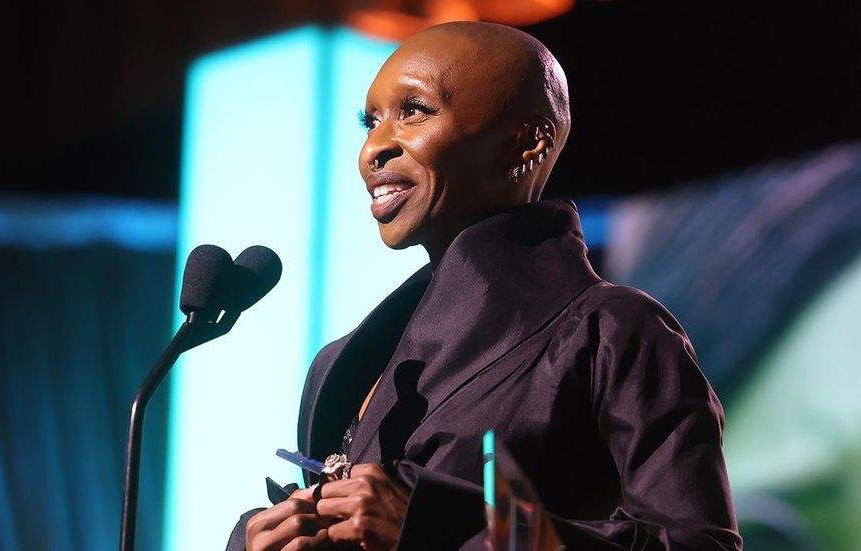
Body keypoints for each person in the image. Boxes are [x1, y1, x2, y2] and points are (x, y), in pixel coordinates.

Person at [229, 21, 742, 550]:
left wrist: (441, 524)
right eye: (370, 121)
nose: (373, 150)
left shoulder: (610, 332)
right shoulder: (343, 365)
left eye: (414, 112)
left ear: (526, 142)